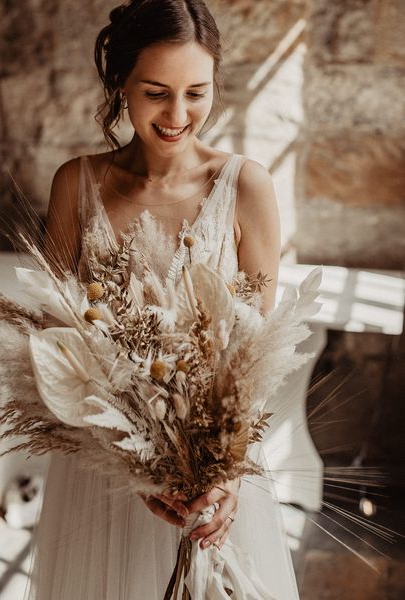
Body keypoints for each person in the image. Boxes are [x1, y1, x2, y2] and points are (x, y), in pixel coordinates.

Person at [27, 1, 299, 598]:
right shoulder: (77, 184)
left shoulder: (246, 187)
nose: (179, 115)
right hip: (102, 472)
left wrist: (223, 474)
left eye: (196, 93)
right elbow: (54, 335)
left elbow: (255, 357)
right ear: (121, 82)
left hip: (213, 476)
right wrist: (135, 464)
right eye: (156, 92)